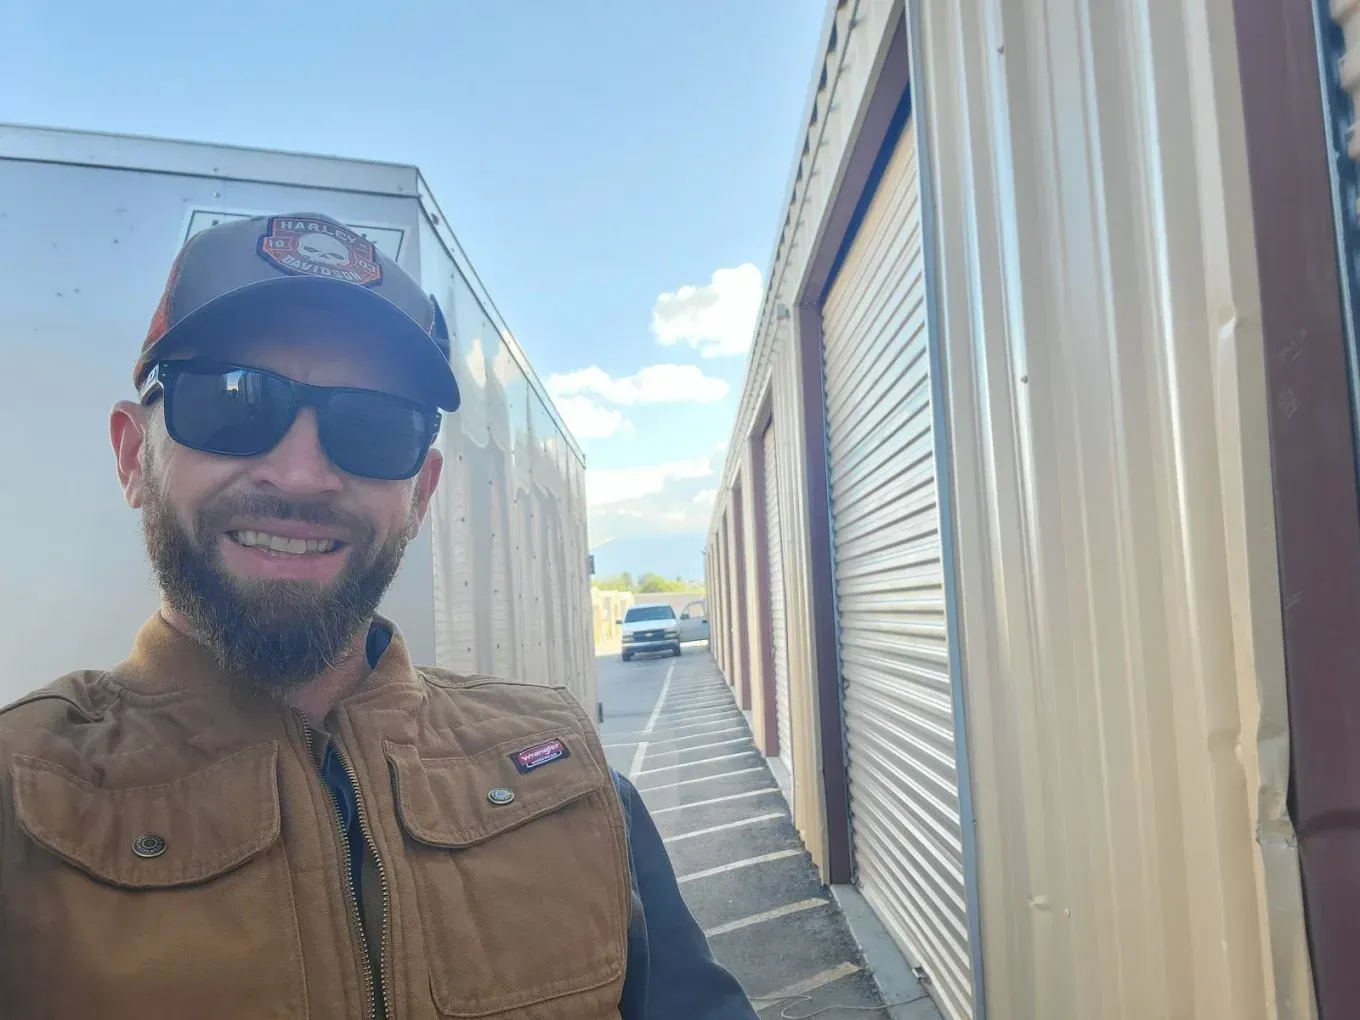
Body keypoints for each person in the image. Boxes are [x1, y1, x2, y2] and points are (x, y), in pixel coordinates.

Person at [0, 213, 759, 1020]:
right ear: (132, 458)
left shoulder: (572, 783)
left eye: (373, 425)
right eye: (232, 401)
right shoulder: (21, 806)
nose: (302, 474)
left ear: (422, 494)